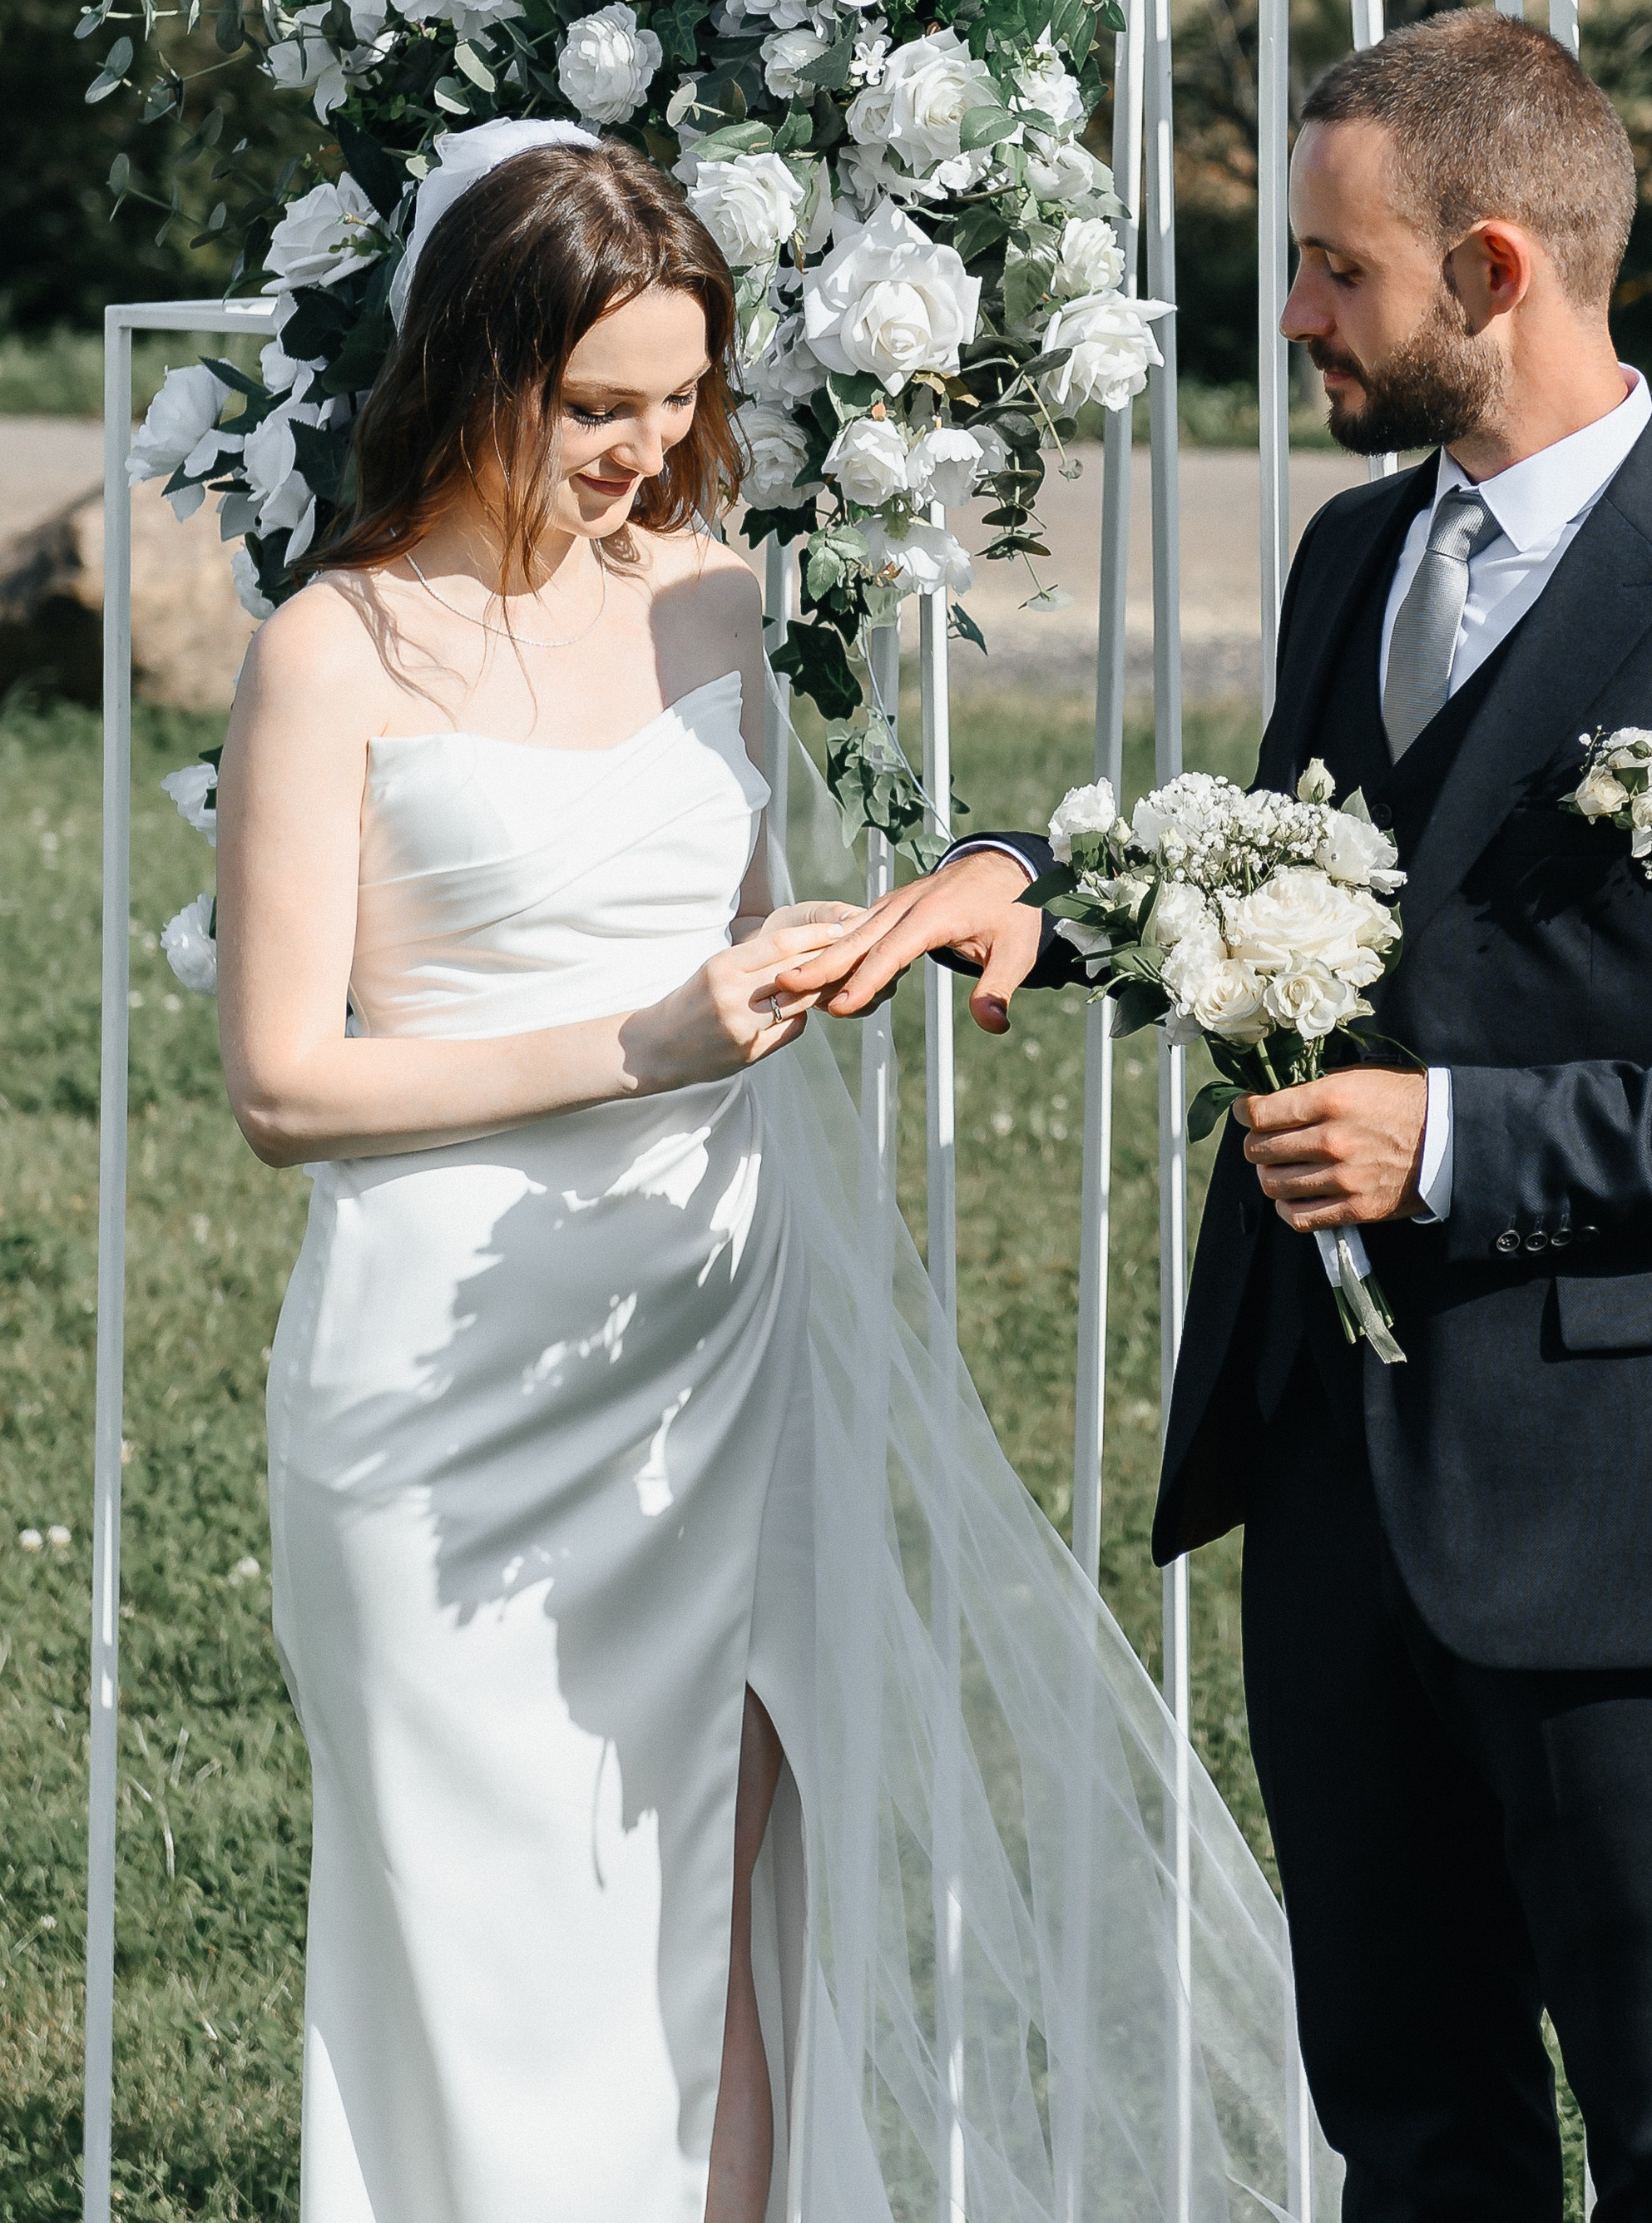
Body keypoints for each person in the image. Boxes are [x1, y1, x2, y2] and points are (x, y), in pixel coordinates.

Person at [804, 9, 1652, 2221]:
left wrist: (1458, 1143)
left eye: (1337, 270)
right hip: (1332, 1475)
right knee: (1410, 2135)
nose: (1297, 316)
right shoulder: (1353, 559)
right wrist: (1038, 889)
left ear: (1492, 270)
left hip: (1624, 1506)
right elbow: (1284, 883)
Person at [215, 123, 1320, 2223]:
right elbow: (283, 1082)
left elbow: (715, 926)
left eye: (678, 400)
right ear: (475, 367)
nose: (646, 451)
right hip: (439, 1383)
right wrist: (635, 1044)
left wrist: (820, 954)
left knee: (712, 1903)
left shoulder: (707, 599)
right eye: (595, 405)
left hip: (709, 1337)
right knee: (474, 1935)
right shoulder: (333, 647)